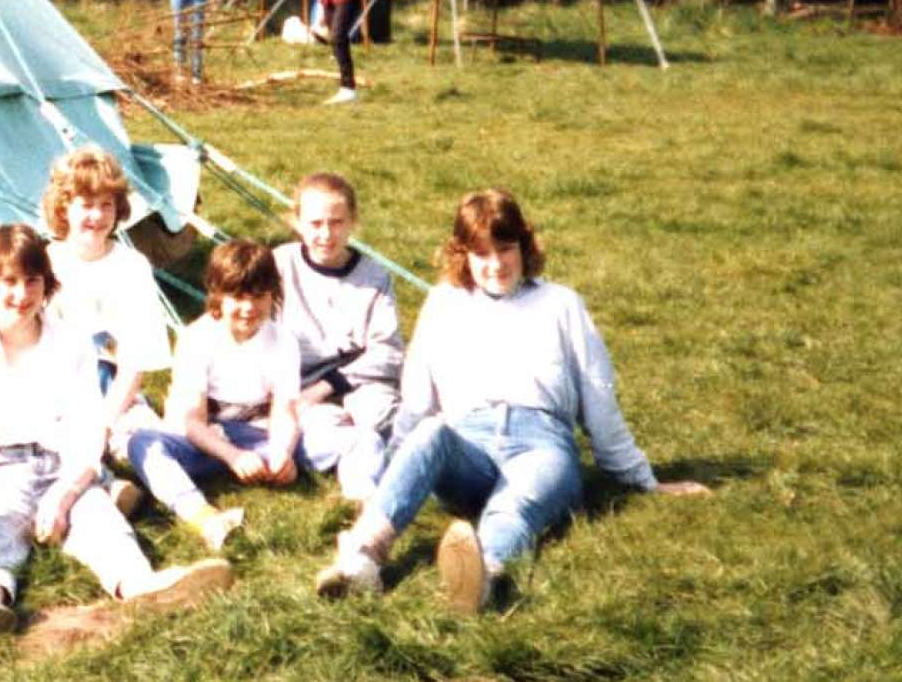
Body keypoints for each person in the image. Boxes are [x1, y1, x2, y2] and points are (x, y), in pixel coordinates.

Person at [313, 188, 710, 613]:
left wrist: (642, 479)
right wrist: (385, 481)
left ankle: (481, 576)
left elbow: (599, 398)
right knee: (432, 431)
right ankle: (362, 561)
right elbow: (415, 402)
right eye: (481, 253)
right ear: (462, 255)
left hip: (542, 445)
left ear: (525, 245)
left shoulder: (561, 304)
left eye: (506, 249)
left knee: (514, 504)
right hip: (469, 447)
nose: (496, 264)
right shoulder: (444, 302)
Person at [0, 224, 230, 634]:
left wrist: (64, 494)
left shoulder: (71, 341)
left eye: (32, 282)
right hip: (0, 466)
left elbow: (89, 430)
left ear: (47, 285)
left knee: (101, 521)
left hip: (64, 463)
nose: (21, 295)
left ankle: (142, 588)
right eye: (9, 282)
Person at [125, 239, 300, 552]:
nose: (249, 308)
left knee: (324, 440)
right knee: (142, 444)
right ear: (218, 294)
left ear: (273, 294)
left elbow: (285, 410)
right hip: (205, 438)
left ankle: (360, 497)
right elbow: (192, 422)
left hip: (255, 433)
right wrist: (232, 456)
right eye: (238, 297)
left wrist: (281, 451)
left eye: (259, 296)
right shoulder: (197, 337)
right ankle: (204, 517)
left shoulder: (284, 340)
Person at [41, 146, 171, 471]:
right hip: (57, 392)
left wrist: (104, 421)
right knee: (44, 446)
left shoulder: (131, 266)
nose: (97, 216)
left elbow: (134, 362)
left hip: (115, 391)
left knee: (148, 445)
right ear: (63, 209)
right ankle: (102, 489)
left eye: (106, 205)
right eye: (86, 206)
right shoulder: (45, 263)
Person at [276, 171, 403, 500]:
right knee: (327, 429)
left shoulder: (374, 277)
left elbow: (388, 352)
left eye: (336, 223)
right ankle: (366, 498)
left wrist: (331, 386)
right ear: (297, 221)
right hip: (300, 389)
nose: (326, 235)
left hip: (359, 380)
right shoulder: (279, 266)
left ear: (352, 222)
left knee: (385, 417)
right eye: (315, 224)